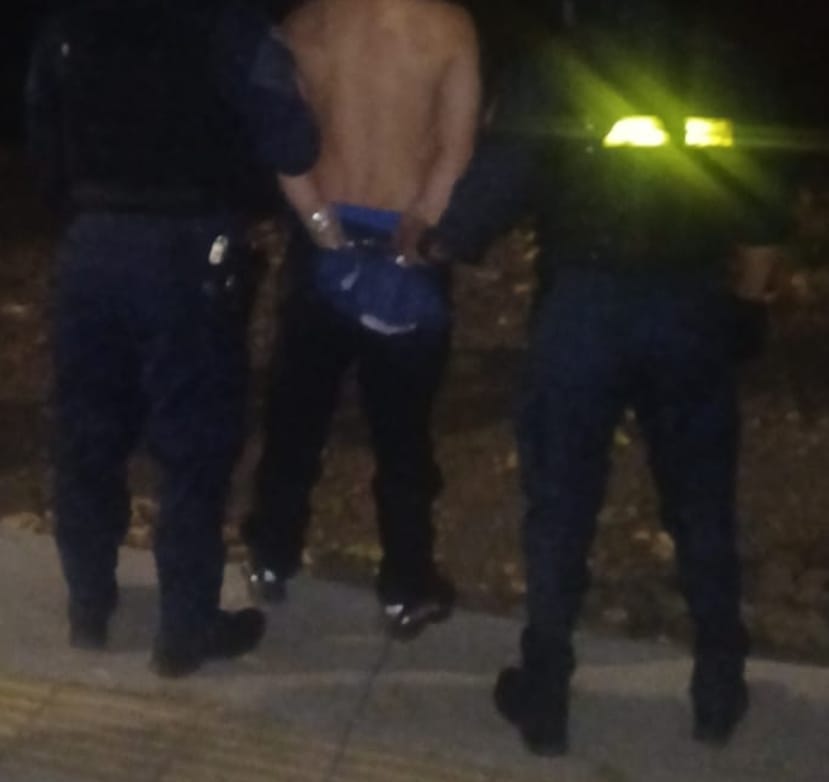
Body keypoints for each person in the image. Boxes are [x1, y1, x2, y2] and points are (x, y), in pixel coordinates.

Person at [421, 0, 789, 753]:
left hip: (584, 310)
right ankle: (718, 690)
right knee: (702, 504)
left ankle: (545, 696)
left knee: (560, 503)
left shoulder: (561, 67)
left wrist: (444, 241)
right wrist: (748, 307)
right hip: (689, 306)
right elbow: (762, 208)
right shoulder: (726, 65)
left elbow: (502, 177)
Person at [26, 0, 319, 677]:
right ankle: (185, 627)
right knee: (193, 443)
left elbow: (42, 135)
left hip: (93, 242)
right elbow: (293, 141)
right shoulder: (228, 25)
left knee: (88, 434)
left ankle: (89, 606)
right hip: (187, 249)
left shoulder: (72, 22)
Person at [242, 0, 481, 639]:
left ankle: (271, 553)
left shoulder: (305, 25)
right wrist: (421, 229)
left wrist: (320, 224)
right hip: (406, 239)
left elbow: (282, 140)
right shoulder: (447, 26)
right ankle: (406, 582)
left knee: (296, 414)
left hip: (326, 242)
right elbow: (456, 150)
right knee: (403, 431)